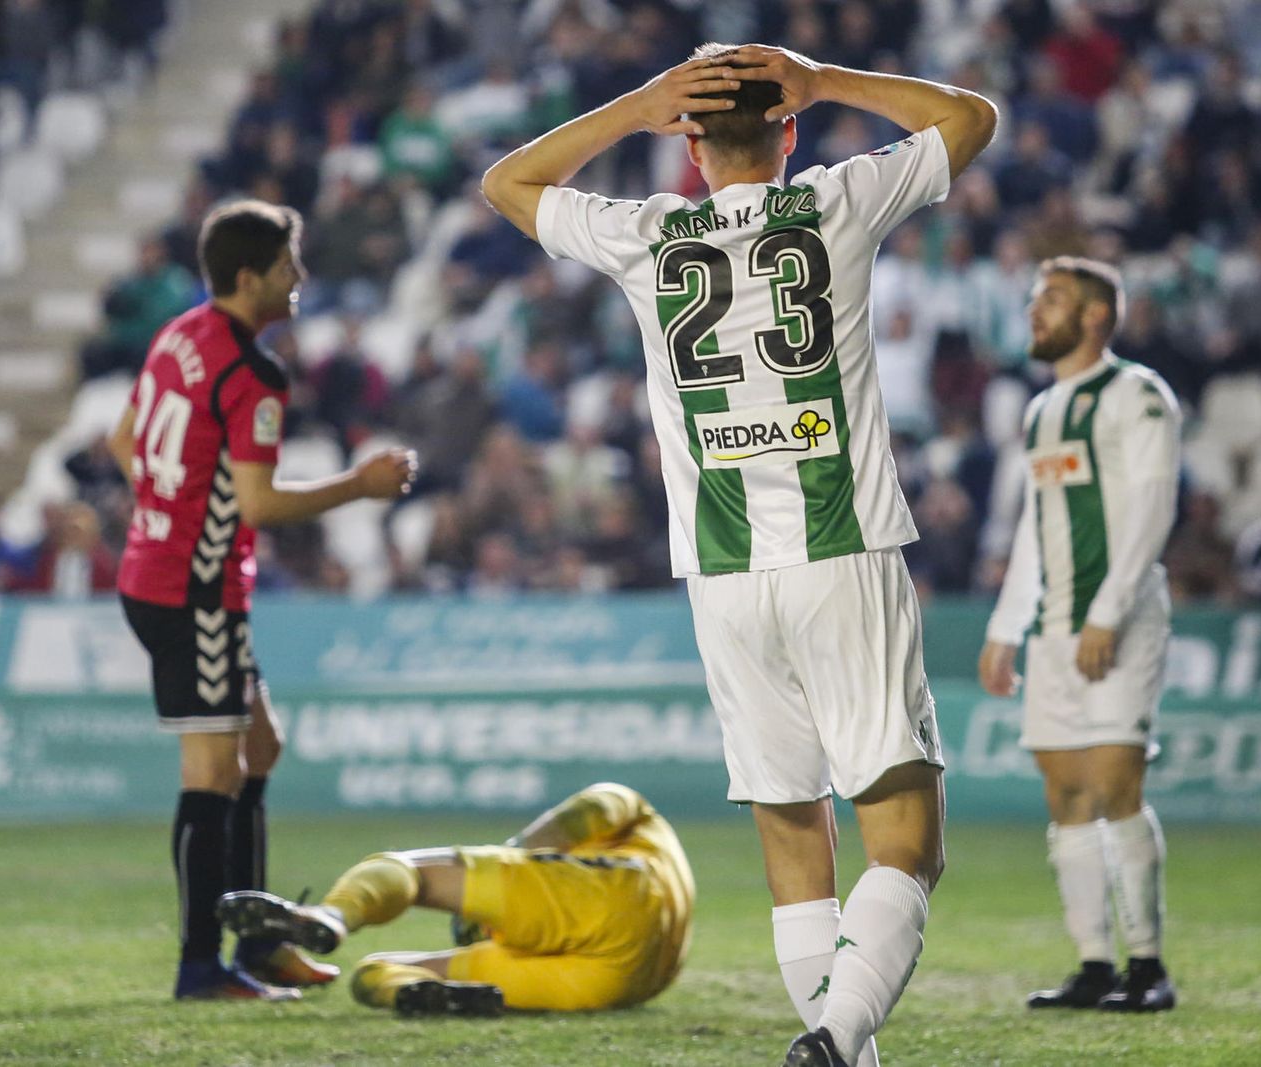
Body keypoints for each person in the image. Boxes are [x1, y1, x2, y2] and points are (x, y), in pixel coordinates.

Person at [481, 44, 997, 1067]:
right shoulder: (832, 205)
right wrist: (829, 77)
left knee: (793, 840)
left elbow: (507, 184)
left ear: (686, 137)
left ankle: (839, 1048)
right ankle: (839, 1038)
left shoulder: (645, 235)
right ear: (788, 127)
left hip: (719, 571)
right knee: (907, 840)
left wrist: (632, 105)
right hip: (840, 548)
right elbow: (969, 119)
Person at [107, 199, 417, 1001]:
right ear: (251, 278)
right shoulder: (253, 374)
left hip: (171, 575)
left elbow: (121, 439)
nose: (300, 278)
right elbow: (259, 506)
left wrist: (164, 506)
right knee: (211, 770)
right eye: (288, 266)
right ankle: (202, 964)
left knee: (259, 748)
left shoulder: (178, 335)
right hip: (193, 591)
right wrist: (361, 483)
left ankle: (258, 940)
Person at [977, 257, 1182, 1014]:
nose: (1036, 310)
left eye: (1054, 299)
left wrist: (1108, 611)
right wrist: (1007, 627)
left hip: (1119, 621)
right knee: (1065, 793)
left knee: (1115, 786)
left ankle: (1149, 966)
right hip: (1055, 629)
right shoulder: (1041, 412)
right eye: (1035, 297)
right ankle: (1094, 963)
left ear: (1097, 315)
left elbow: (1153, 507)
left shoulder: (1137, 396)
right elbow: (1036, 529)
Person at [217, 782, 694, 1016]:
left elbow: (597, 805)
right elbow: (599, 805)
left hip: (612, 903)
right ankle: (414, 994)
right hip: (628, 980)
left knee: (411, 872)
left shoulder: (629, 824)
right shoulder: (648, 831)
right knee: (371, 975)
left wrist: (514, 857)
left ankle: (331, 914)